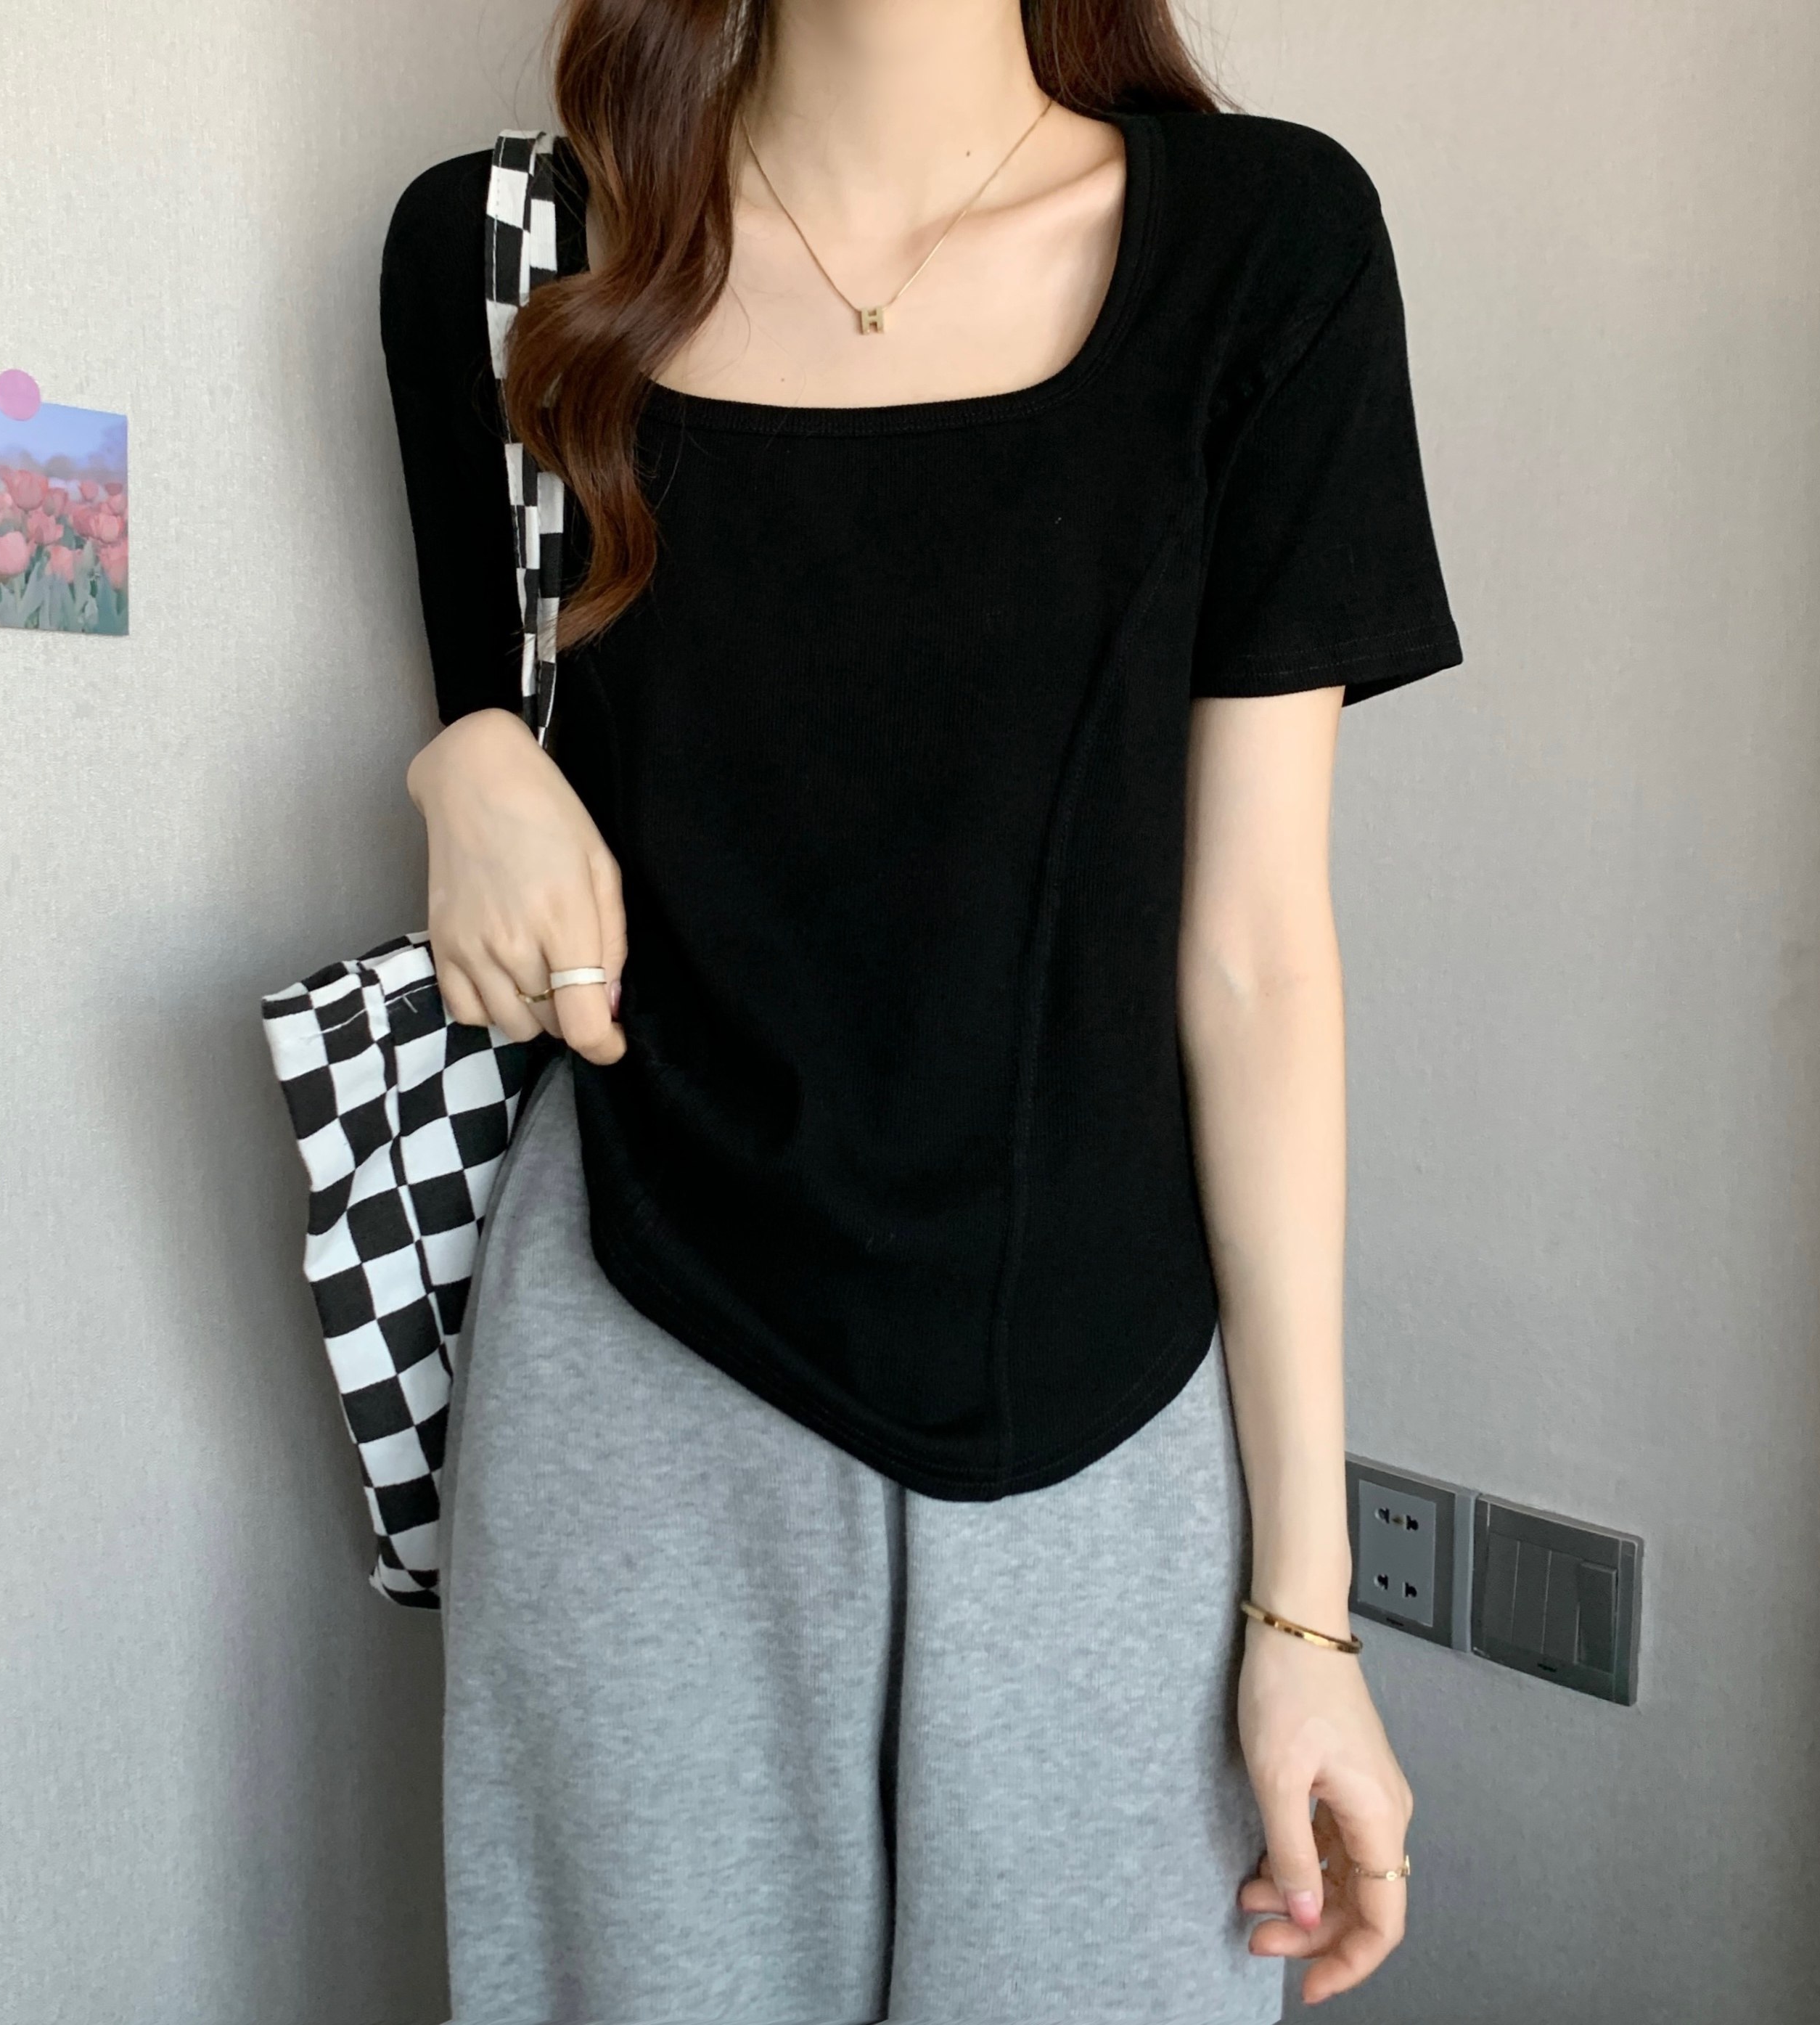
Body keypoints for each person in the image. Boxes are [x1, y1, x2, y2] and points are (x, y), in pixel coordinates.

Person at [380, 0, 1461, 2017]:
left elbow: (1255, 956)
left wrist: (1307, 1617)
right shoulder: (501, 253)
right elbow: (508, 731)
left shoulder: (1265, 245)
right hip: (641, 1367)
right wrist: (461, 761)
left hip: (1109, 1402)